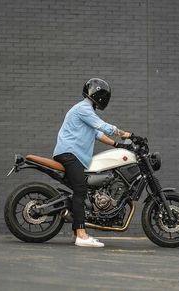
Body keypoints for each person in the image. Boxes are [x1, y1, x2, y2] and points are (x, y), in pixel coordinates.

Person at [53, 78, 132, 247]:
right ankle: (81, 235)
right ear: (101, 96)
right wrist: (125, 134)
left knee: (81, 190)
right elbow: (104, 127)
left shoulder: (86, 111)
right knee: (81, 189)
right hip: (69, 154)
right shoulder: (84, 109)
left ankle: (78, 234)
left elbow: (97, 133)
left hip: (72, 155)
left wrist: (117, 144)